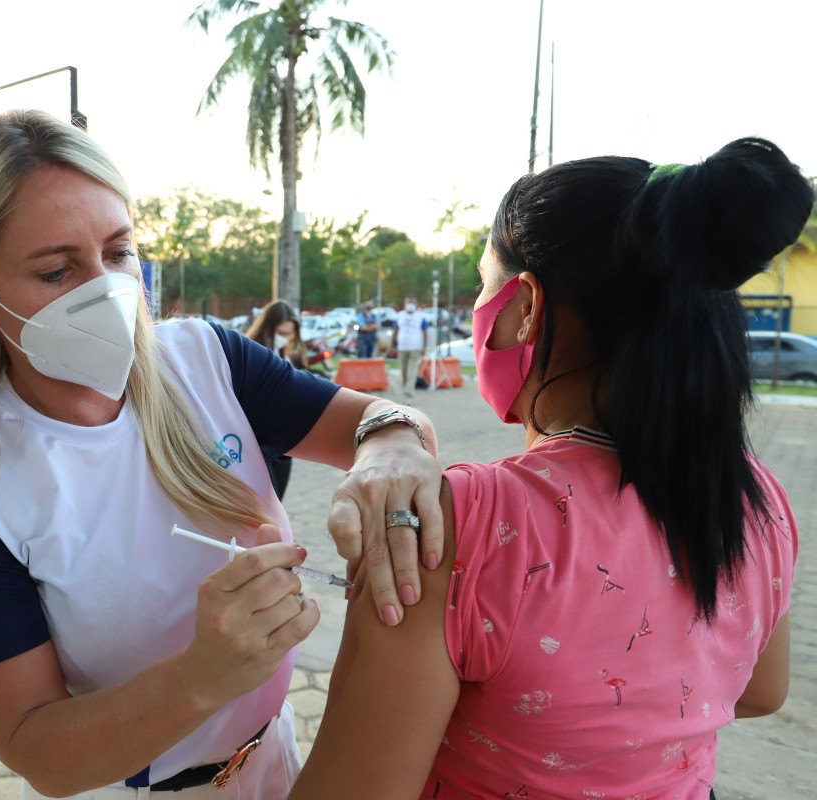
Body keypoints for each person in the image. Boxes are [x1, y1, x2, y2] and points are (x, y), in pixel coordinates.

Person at [0, 110, 445, 800]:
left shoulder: (205, 358)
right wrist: (200, 677)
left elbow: (377, 421)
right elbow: (38, 753)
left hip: (276, 758)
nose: (105, 291)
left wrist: (391, 444)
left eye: (119, 253)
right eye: (58, 270)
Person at [290, 138, 809, 798]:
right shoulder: (755, 496)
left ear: (527, 306)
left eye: (485, 285)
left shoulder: (461, 525)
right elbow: (762, 690)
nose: (480, 310)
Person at [245, 300, 310, 499]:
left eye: (289, 334)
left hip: (283, 445)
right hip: (257, 444)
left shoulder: (286, 357)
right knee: (266, 504)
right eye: (281, 333)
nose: (285, 339)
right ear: (268, 328)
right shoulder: (249, 356)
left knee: (277, 502)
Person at [394, 296, 429, 396]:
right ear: (405, 304)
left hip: (415, 347)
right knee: (404, 371)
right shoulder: (399, 315)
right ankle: (406, 388)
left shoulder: (420, 317)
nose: (410, 305)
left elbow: (425, 332)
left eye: (412, 303)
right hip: (402, 347)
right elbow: (395, 330)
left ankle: (409, 391)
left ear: (416, 304)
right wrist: (393, 343)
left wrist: (424, 347)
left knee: (412, 371)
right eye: (409, 302)